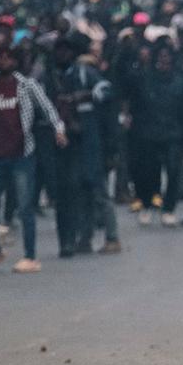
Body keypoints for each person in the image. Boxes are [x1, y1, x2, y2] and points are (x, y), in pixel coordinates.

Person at [0, 43, 65, 273]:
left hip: (22, 154)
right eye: (0, 58)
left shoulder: (27, 85)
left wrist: (58, 129)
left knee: (25, 206)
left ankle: (30, 256)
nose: (4, 62)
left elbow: (48, 108)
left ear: (16, 61)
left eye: (9, 58)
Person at [49, 33, 120, 257]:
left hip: (90, 141)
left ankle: (112, 237)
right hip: (73, 142)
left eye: (66, 50)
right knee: (83, 191)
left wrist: (85, 96)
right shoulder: (57, 76)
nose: (62, 54)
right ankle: (85, 238)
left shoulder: (83, 73)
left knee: (98, 190)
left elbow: (105, 91)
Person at [126, 41, 183, 226]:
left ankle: (169, 208)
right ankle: (147, 204)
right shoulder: (144, 80)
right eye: (161, 57)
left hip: (173, 133)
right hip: (148, 133)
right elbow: (135, 106)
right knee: (148, 171)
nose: (164, 60)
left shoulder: (180, 83)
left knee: (173, 171)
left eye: (167, 57)